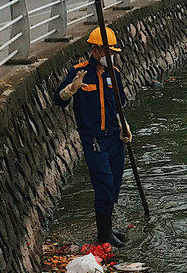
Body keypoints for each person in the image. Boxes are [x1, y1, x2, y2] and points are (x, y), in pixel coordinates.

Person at [54, 26, 133, 246]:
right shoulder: (79, 71)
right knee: (104, 184)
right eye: (109, 51)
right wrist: (71, 88)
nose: (112, 56)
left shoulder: (114, 74)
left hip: (114, 137)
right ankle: (103, 236)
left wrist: (125, 127)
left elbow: (119, 106)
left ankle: (107, 227)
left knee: (115, 183)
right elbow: (58, 100)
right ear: (97, 49)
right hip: (94, 138)